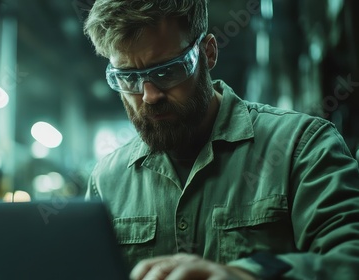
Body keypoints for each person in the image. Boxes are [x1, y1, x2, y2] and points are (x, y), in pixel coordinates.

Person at [82, 0, 359, 279]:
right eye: (129, 78)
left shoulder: (301, 148)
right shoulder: (107, 181)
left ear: (208, 53)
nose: (149, 96)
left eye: (167, 71)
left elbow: (349, 259)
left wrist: (244, 275)